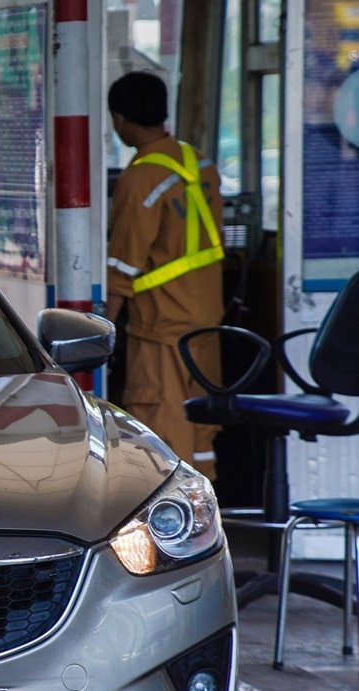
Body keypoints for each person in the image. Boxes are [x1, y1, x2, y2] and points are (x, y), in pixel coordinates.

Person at [104, 71, 224, 478]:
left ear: (120, 119)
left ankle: (174, 529)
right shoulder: (199, 163)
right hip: (206, 322)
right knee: (201, 427)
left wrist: (102, 330)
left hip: (161, 329)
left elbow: (122, 268)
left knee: (160, 426)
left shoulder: (140, 179)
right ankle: (211, 517)